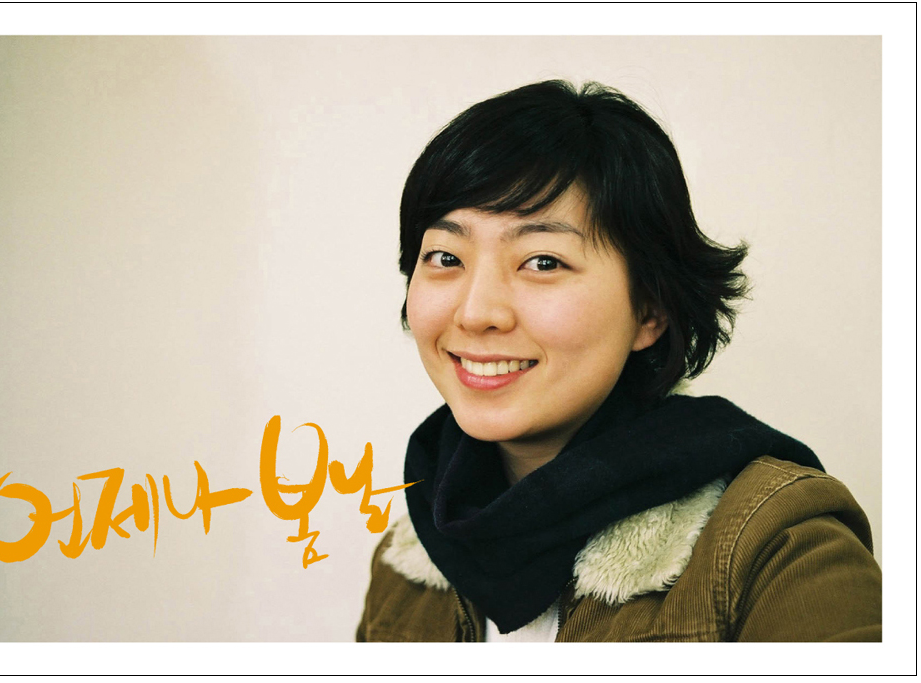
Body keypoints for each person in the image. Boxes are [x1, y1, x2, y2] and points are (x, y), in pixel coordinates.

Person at [356, 80, 881, 642]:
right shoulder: (408, 559)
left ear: (649, 309)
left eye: (542, 261)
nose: (477, 312)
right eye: (444, 257)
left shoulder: (780, 545)